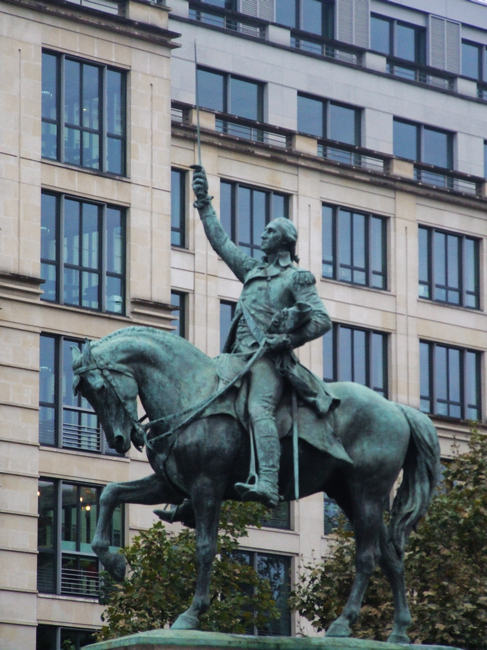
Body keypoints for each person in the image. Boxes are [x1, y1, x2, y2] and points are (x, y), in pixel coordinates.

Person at [190, 166, 338, 508]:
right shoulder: (251, 271)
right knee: (202, 404)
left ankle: (269, 482)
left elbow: (321, 320)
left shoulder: (297, 277)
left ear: (284, 240)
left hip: (268, 362)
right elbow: (221, 243)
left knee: (259, 409)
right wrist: (203, 202)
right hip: (236, 358)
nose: (262, 234)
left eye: (269, 231)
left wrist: (288, 340)